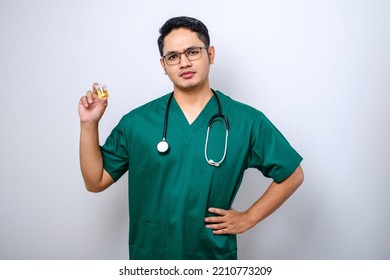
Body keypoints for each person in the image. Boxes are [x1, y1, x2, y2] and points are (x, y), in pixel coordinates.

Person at [78, 16, 304, 260]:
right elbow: (95, 181)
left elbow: (292, 174)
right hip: (152, 257)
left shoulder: (246, 121)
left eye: (192, 52)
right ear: (164, 66)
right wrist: (89, 124)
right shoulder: (137, 123)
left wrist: (249, 217)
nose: (183, 62)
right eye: (173, 56)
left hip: (212, 257)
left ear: (211, 54)